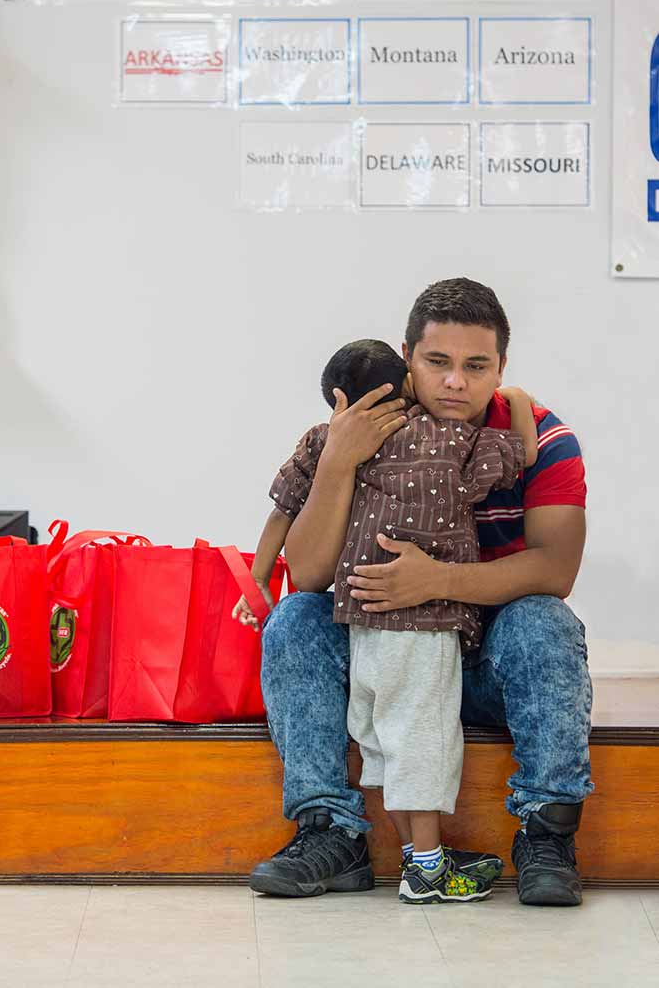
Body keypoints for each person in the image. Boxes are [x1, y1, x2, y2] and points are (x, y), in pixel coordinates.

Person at [248, 278, 591, 907]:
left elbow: (556, 569)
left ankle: (547, 834)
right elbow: (309, 573)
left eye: (476, 366)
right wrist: (338, 463)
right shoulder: (360, 430)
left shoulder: (543, 439)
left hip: (483, 666)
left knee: (545, 621)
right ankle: (332, 831)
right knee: (296, 619)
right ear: (407, 358)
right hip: (382, 659)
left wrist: (439, 580)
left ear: (501, 368)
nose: (456, 382)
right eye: (438, 362)